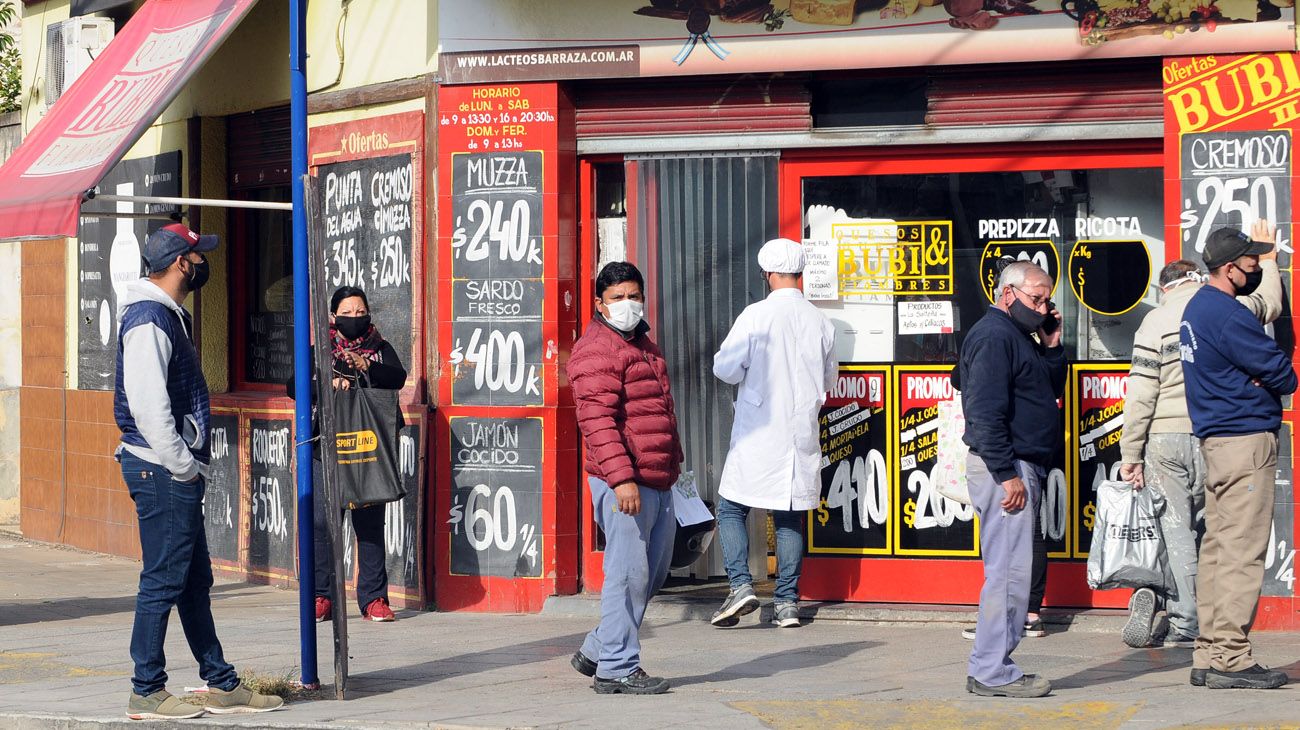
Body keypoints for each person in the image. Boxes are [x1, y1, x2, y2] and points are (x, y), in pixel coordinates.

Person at [115, 223, 283, 720]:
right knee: (164, 580)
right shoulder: (148, 319)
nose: (200, 264)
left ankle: (221, 682)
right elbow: (148, 407)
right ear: (177, 264)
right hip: (161, 470)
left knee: (191, 581)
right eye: (195, 257)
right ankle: (146, 689)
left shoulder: (166, 315)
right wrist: (184, 467)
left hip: (167, 469)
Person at [1119, 221, 1283, 651]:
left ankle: (1191, 622)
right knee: (1232, 540)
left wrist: (1129, 453)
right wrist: (1272, 265)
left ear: (1164, 288)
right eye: (1246, 261)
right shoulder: (1228, 309)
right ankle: (1224, 646)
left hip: (1167, 437)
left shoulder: (1158, 320)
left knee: (1187, 538)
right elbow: (1270, 311)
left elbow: (1140, 393)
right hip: (1221, 434)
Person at [1180, 226, 1295, 690]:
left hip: (1217, 444)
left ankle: (1208, 652)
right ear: (1229, 269)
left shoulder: (1196, 308)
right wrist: (1264, 379)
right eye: (1250, 263)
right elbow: (1284, 375)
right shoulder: (1227, 315)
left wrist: (1257, 376)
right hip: (1245, 443)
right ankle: (1231, 656)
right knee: (1243, 552)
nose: (1254, 269)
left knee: (1218, 549)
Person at [567, 261, 682, 695]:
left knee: (650, 574)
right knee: (627, 575)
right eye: (617, 298)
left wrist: (675, 465)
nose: (627, 304)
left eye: (633, 295)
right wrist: (621, 479)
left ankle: (599, 648)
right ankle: (616, 666)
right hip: (626, 481)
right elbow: (597, 421)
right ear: (599, 303)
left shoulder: (642, 343)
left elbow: (658, 412)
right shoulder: (597, 348)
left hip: (657, 477)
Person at [710, 238, 836, 630]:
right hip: (800, 434)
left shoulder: (756, 316)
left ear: (768, 274)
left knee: (731, 506)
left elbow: (726, 369)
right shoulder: (821, 321)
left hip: (758, 432)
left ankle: (740, 585)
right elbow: (829, 378)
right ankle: (786, 604)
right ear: (800, 274)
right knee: (789, 517)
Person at [957, 261, 1065, 698]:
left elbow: (1044, 388)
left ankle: (991, 665)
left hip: (1018, 466)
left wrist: (1052, 345)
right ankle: (990, 670)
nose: (1042, 308)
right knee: (1009, 576)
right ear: (1008, 294)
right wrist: (1006, 474)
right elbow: (982, 410)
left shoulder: (1016, 335)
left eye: (1047, 301)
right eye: (1035, 298)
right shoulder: (993, 336)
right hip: (1007, 468)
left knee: (1010, 572)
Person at [289, 286, 407, 624]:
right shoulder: (318, 351)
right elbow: (292, 385)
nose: (354, 318)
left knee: (370, 526)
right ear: (333, 316)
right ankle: (321, 596)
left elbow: (396, 378)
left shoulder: (380, 349)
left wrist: (365, 365)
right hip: (325, 449)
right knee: (323, 525)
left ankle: (374, 599)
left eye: (360, 312)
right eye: (347, 312)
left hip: (368, 451)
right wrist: (328, 382)